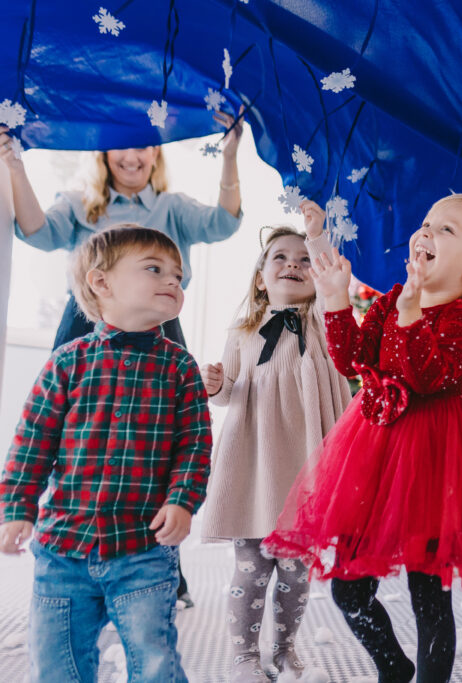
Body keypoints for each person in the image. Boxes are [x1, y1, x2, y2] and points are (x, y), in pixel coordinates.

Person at [263, 193, 462, 682]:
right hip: (372, 450)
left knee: (428, 597)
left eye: (446, 229)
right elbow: (352, 359)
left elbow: (428, 376)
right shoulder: (390, 300)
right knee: (348, 590)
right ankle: (393, 667)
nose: (427, 231)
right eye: (427, 221)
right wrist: (335, 298)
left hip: (433, 461)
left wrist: (412, 313)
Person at [0, 225, 212, 682]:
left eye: (178, 275)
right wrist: (17, 508)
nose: (173, 281)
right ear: (101, 282)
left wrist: (182, 500)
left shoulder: (180, 367)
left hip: (142, 549)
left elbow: (194, 445)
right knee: (56, 663)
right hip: (63, 548)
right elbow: (32, 441)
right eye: (155, 269)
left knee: (154, 661)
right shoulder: (67, 361)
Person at [200, 201, 349, 682]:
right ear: (261, 278)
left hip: (305, 459)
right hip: (255, 459)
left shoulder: (326, 320)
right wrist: (216, 385)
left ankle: (284, 649)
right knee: (250, 564)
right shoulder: (243, 331)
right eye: (280, 257)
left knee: (294, 569)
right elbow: (229, 393)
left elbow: (330, 282)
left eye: (305, 260)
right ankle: (244, 656)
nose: (293, 265)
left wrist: (316, 235)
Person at [0, 111, 244, 350]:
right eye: (120, 145)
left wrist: (230, 157)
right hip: (86, 323)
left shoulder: (173, 207)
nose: (130, 156)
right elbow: (40, 234)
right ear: (105, 153)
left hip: (158, 323)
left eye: (141, 147)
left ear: (155, 153)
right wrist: (15, 168)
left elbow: (223, 223)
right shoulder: (77, 203)